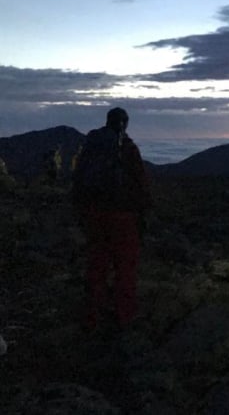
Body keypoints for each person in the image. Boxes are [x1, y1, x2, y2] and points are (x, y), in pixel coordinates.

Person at [72, 107, 151, 333]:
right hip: (123, 217)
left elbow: (78, 180)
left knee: (97, 263)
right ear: (125, 123)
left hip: (94, 215)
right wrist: (144, 214)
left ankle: (92, 316)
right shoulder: (127, 148)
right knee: (125, 265)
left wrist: (81, 212)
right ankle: (125, 315)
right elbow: (141, 183)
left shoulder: (92, 147)